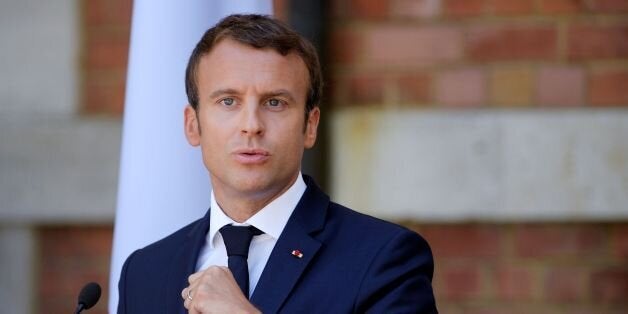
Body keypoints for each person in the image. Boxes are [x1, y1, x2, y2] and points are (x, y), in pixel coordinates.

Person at [117, 14, 437, 314]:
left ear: (310, 126)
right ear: (192, 125)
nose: (251, 125)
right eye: (228, 101)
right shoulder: (144, 271)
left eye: (275, 102)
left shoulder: (384, 258)